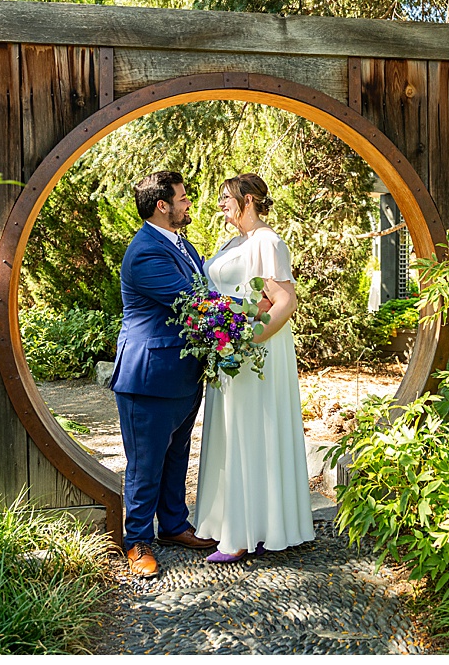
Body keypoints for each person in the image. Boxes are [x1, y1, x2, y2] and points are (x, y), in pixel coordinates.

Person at [194, 173, 316, 562]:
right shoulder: (234, 242)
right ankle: (241, 523)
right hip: (227, 348)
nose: (220, 205)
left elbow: (284, 301)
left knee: (251, 429)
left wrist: (247, 340)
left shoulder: (268, 241)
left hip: (254, 351)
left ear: (248, 200)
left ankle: (245, 536)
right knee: (232, 432)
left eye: (225, 198)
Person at [110, 170, 217, 578]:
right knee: (145, 464)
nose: (188, 203)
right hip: (149, 376)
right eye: (183, 198)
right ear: (162, 205)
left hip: (184, 372)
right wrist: (253, 306)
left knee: (176, 455)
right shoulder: (145, 252)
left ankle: (173, 526)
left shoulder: (179, 243)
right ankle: (137, 541)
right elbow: (192, 299)